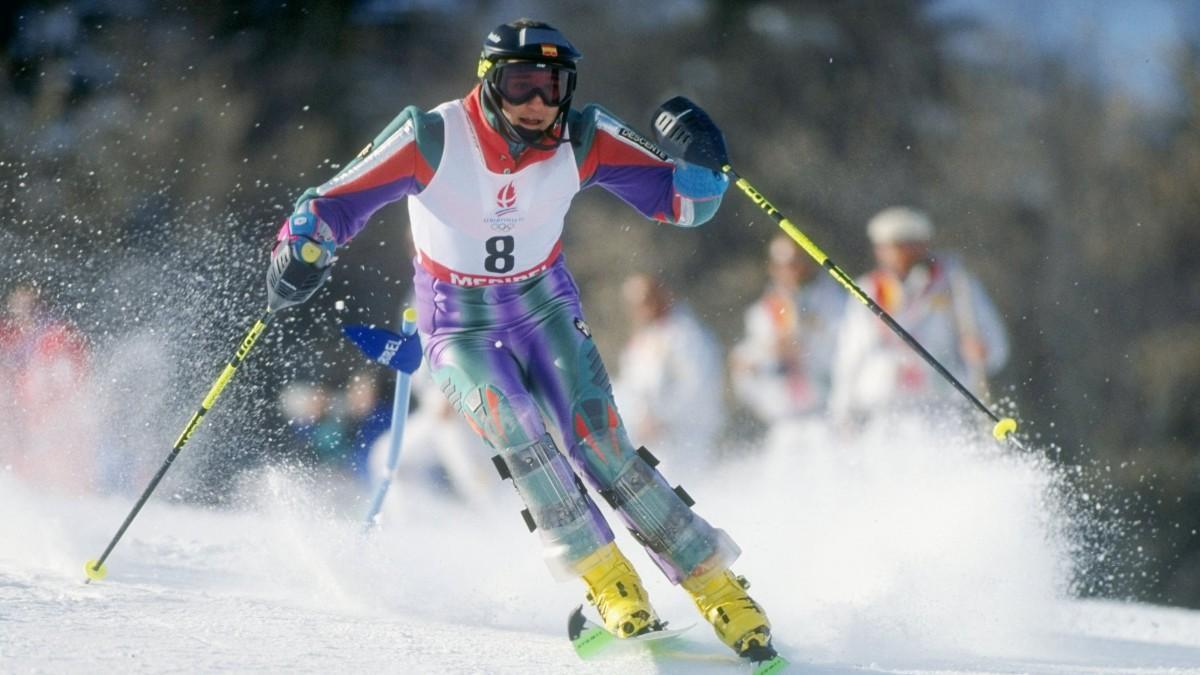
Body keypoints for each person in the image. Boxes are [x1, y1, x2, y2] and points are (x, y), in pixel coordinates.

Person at [263, 19, 776, 661]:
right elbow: (335, 203)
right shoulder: (432, 135)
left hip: (542, 304)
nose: (537, 103)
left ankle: (719, 587)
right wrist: (301, 247)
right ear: (489, 81)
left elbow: (684, 204)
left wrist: (706, 160)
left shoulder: (582, 135)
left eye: (552, 86)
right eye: (520, 84)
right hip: (458, 319)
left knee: (602, 446)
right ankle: (610, 586)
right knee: (519, 434)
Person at [829, 207, 1009, 426]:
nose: (894, 253)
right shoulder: (869, 288)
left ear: (921, 245)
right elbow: (850, 353)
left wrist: (982, 350)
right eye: (886, 246)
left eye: (902, 245)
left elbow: (996, 346)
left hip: (941, 407)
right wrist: (842, 408)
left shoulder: (956, 284)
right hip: (883, 409)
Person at [730, 234, 845, 433]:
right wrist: (767, 355)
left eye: (795, 263)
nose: (790, 271)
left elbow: (845, 354)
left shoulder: (835, 303)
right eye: (782, 264)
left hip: (825, 416)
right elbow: (747, 367)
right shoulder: (762, 312)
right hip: (783, 422)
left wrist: (806, 345)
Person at [614, 273, 725, 464]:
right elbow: (630, 387)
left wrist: (663, 418)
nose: (641, 309)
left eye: (646, 301)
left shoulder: (686, 334)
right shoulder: (642, 341)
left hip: (686, 439)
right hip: (650, 440)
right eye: (636, 304)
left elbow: (697, 384)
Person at [0, 284, 94, 492]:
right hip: (17, 404)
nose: (21, 309)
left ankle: (58, 485)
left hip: (46, 405)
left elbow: (72, 368)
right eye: (16, 304)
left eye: (27, 304)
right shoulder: (8, 331)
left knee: (45, 444)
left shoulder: (54, 332)